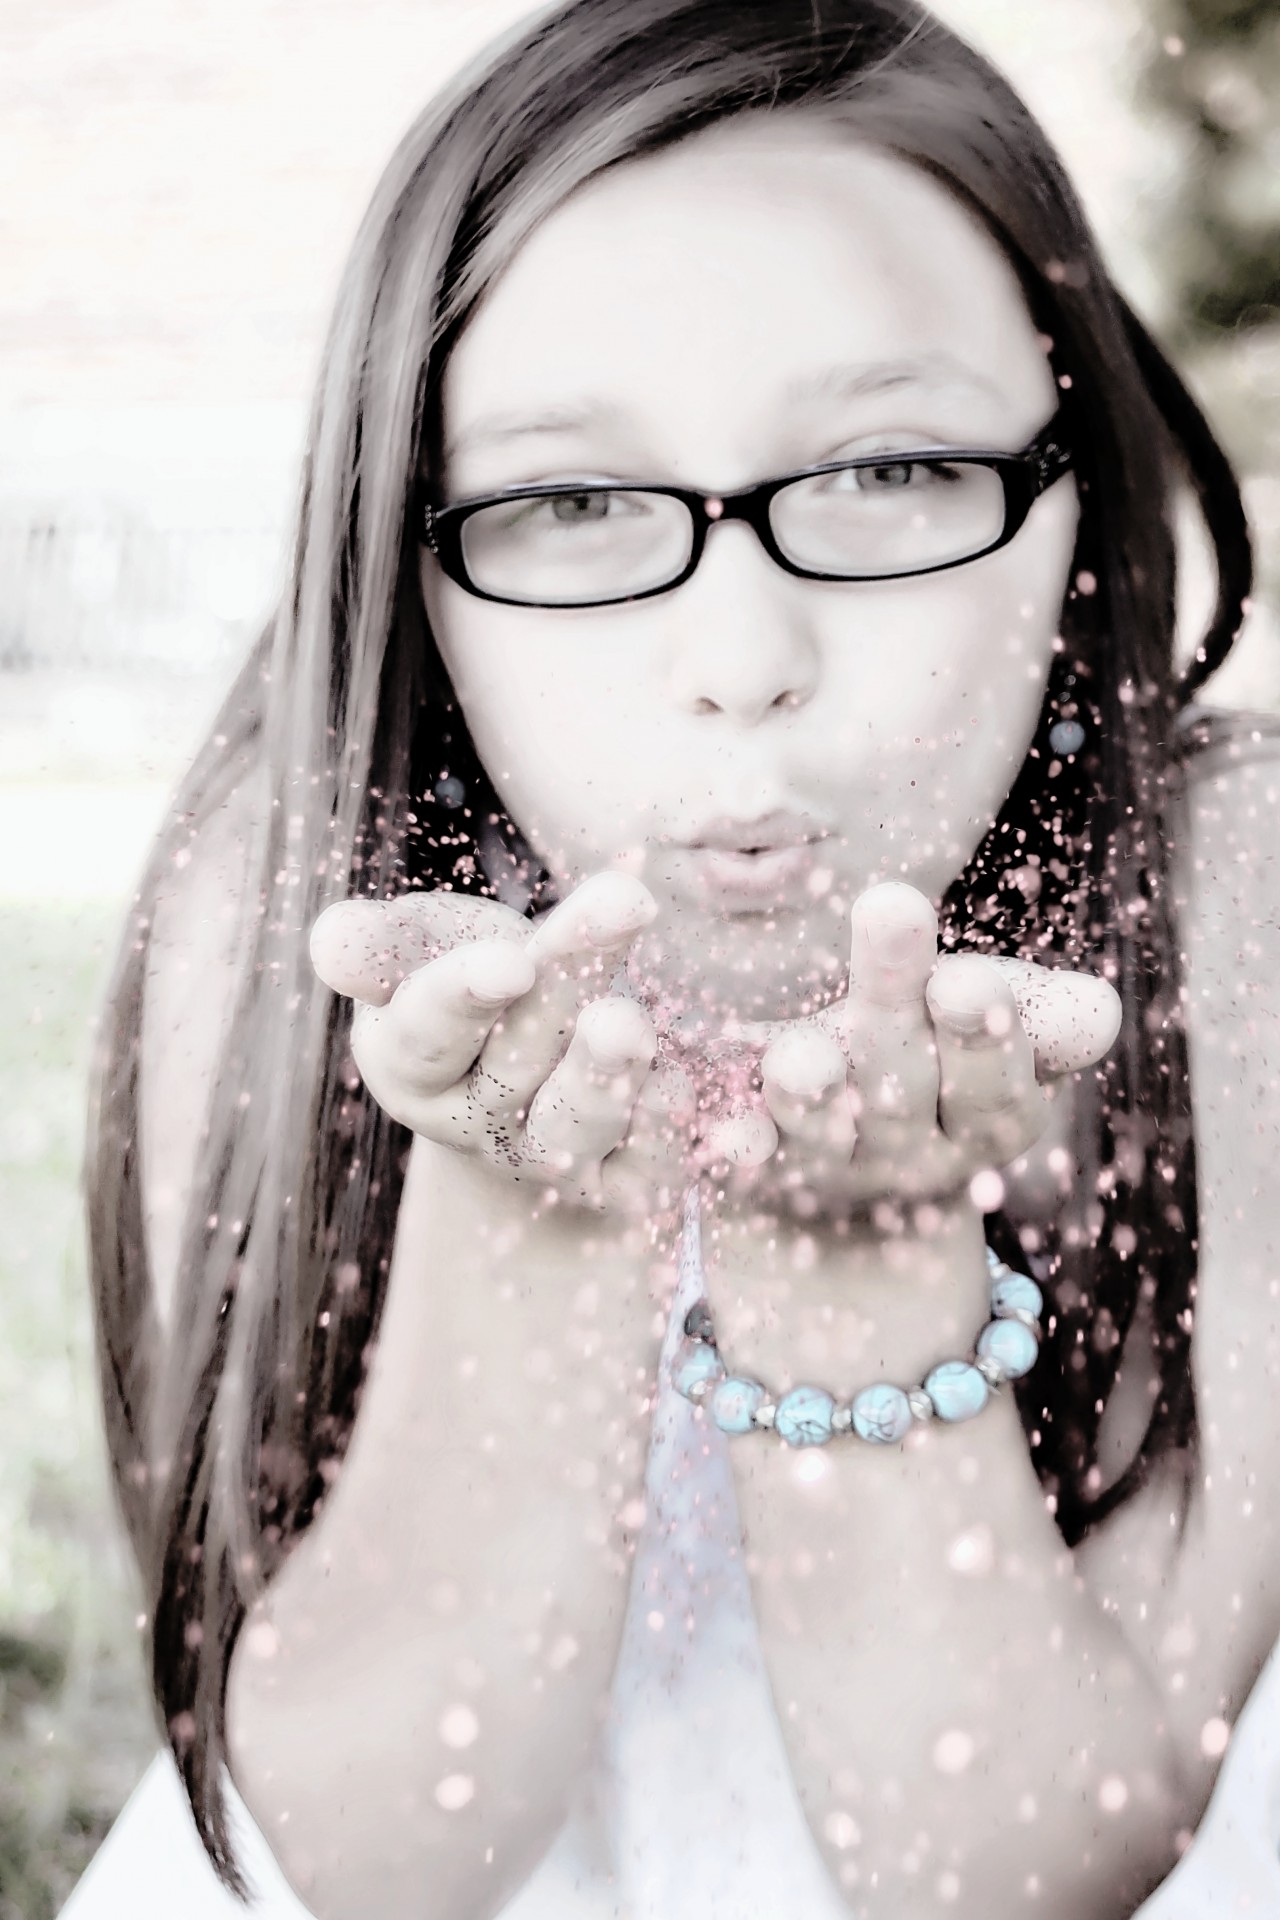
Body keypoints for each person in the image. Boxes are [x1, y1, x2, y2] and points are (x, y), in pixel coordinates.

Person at [71, 1, 1280, 1916]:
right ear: (406, 555)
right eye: (568, 503)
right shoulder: (298, 893)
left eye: (889, 470)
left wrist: (855, 1256)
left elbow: (1016, 1868)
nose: (741, 649)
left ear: (1073, 490)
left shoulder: (1233, 901)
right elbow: (381, 1865)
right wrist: (534, 1215)